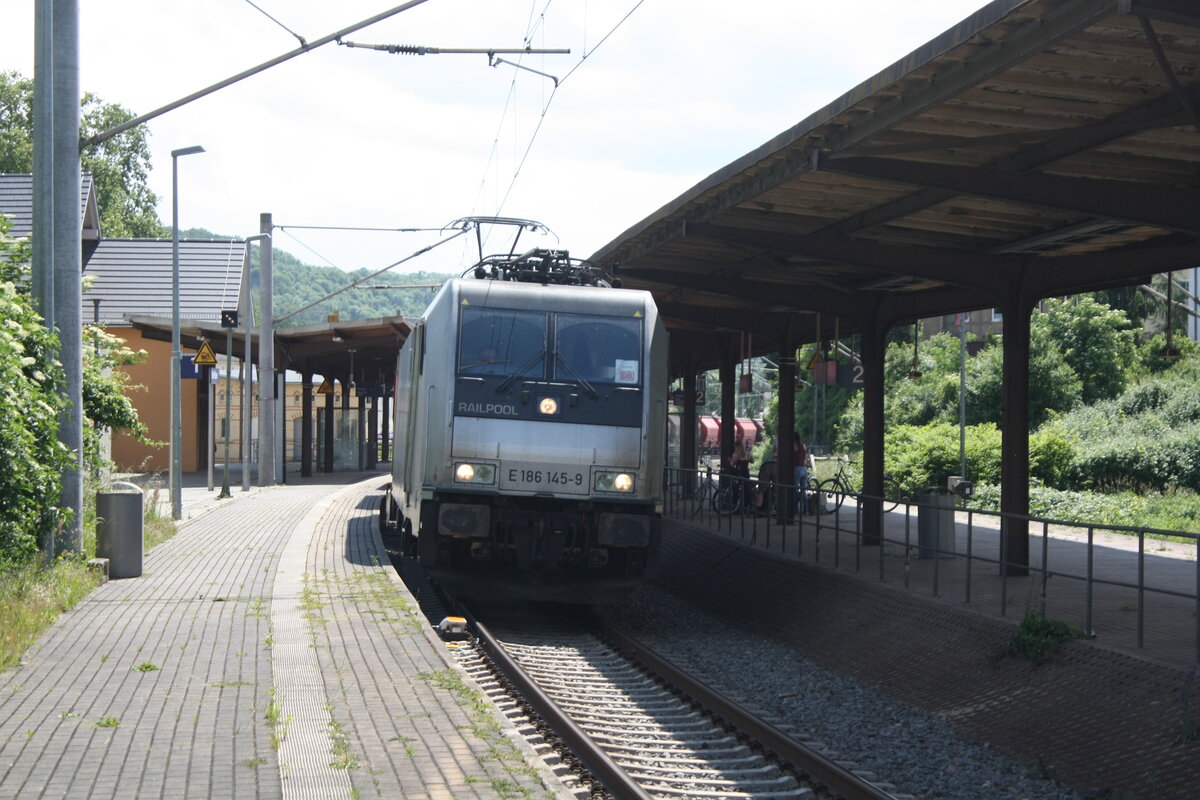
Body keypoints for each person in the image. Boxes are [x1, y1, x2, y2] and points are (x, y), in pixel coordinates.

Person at [793, 432, 809, 514]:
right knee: (803, 490)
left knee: (794, 490)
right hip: (804, 468)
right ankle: (806, 510)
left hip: (797, 469)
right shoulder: (803, 445)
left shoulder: (794, 445)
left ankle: (795, 509)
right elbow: (805, 457)